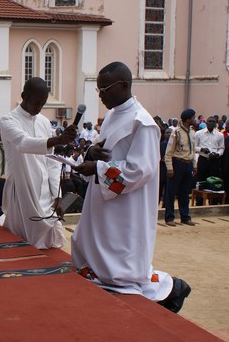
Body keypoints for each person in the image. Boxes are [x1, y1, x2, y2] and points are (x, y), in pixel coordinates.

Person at [71, 61, 191, 313]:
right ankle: (103, 275)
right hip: (104, 197)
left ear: (124, 85)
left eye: (105, 89)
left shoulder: (143, 123)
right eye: (99, 89)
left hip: (126, 204)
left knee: (122, 266)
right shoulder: (113, 115)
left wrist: (98, 169)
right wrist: (91, 152)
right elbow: (103, 148)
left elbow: (141, 170)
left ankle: (172, 289)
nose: (101, 95)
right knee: (90, 243)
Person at [0, 77, 77, 249]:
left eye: (43, 104)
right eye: (36, 102)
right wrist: (58, 140)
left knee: (52, 244)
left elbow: (51, 162)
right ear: (23, 96)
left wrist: (57, 196)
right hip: (21, 189)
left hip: (44, 192)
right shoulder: (8, 121)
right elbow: (24, 143)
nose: (39, 108)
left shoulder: (43, 121)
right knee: (21, 245)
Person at [164, 109, 197, 226]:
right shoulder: (176, 132)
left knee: (184, 192)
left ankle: (185, 217)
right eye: (193, 118)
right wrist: (169, 167)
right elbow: (168, 151)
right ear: (188, 119)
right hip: (177, 163)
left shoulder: (192, 132)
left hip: (188, 164)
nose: (195, 119)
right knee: (171, 192)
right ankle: (169, 217)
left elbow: (193, 150)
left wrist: (194, 165)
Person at [194, 116, 225, 205]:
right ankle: (199, 202)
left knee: (214, 181)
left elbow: (222, 148)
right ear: (206, 122)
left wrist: (217, 154)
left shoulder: (220, 135)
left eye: (213, 121)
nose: (211, 123)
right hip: (203, 159)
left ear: (216, 123)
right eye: (209, 121)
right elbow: (194, 147)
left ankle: (213, 202)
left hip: (214, 161)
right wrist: (202, 149)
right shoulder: (199, 134)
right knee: (201, 181)